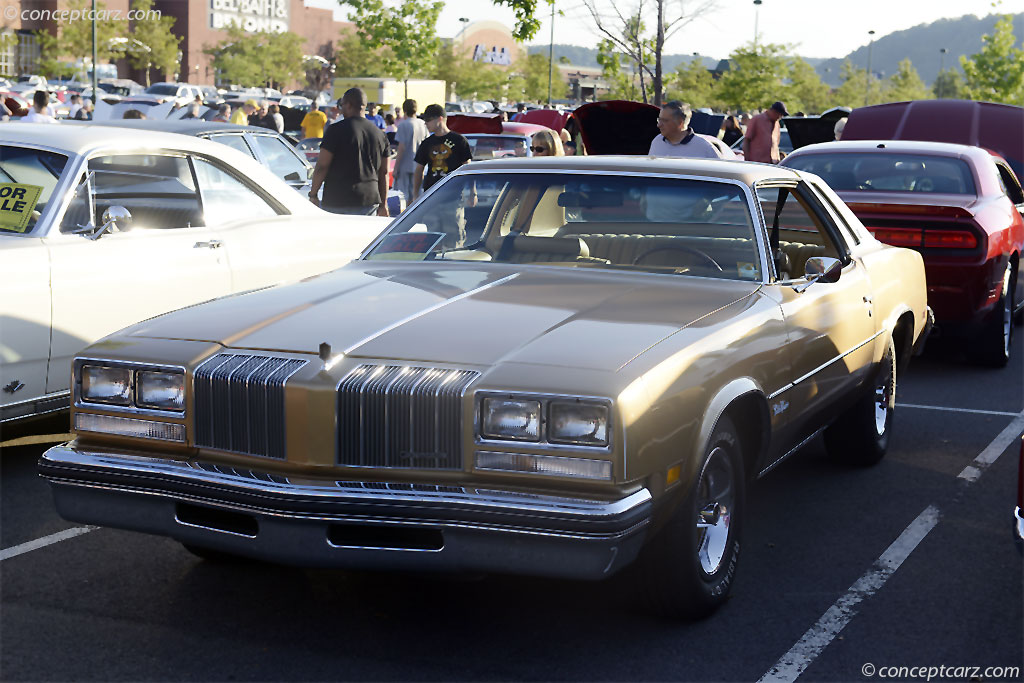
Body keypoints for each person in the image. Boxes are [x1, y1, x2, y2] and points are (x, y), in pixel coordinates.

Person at [308, 87, 389, 217]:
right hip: (369, 200)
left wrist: (313, 194)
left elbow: (322, 165)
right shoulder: (380, 134)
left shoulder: (335, 130)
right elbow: (384, 172)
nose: (341, 108)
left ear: (349, 105)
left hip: (337, 200)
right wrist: (383, 204)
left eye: (342, 105)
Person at [412, 103, 473, 201]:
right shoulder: (427, 143)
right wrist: (415, 194)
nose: (425, 123)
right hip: (430, 196)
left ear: (440, 119)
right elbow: (419, 169)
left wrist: (472, 193)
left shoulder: (459, 141)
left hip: (453, 197)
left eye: (428, 120)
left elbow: (468, 167)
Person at [648, 101, 719, 158]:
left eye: (665, 121)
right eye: (659, 120)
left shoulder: (704, 147)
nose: (659, 125)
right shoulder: (657, 142)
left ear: (680, 122)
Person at [393, 98, 429, 205]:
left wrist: (396, 167)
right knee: (417, 194)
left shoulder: (403, 125)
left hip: (405, 164)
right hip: (419, 164)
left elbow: (402, 147)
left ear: (404, 110)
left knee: (404, 195)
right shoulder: (423, 124)